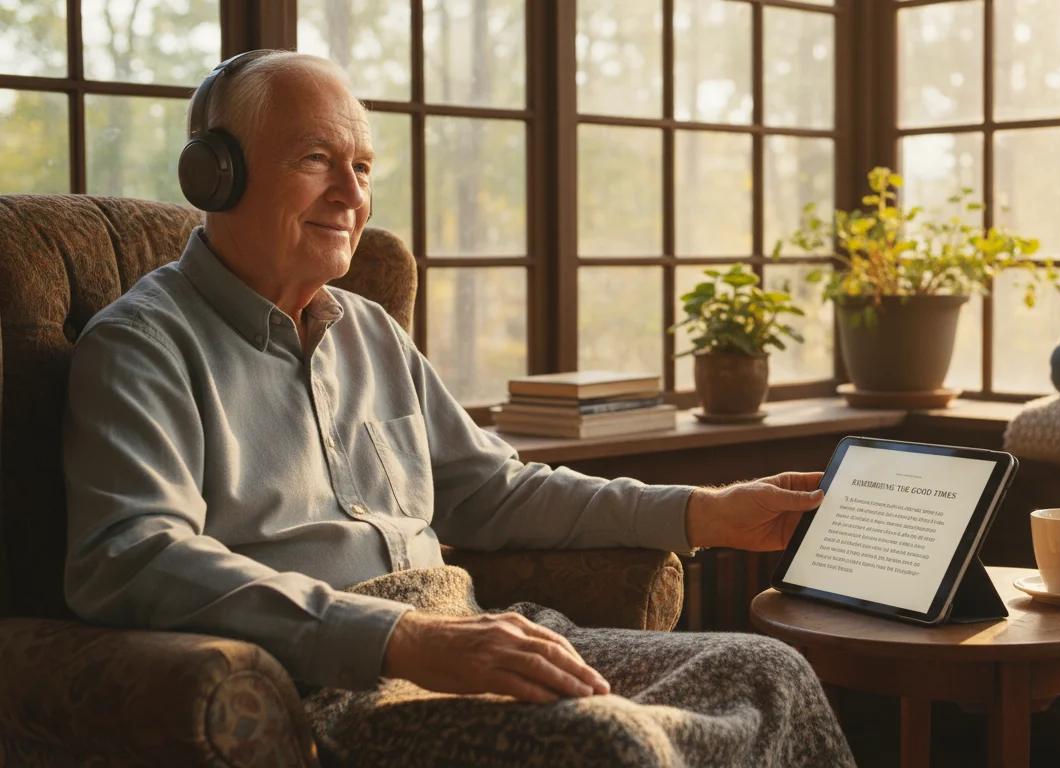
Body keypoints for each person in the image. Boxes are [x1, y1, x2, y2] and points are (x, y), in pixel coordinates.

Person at [62, 50, 855, 766]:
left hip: (471, 629)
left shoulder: (370, 330)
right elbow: (130, 555)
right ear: (215, 175)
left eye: (364, 167)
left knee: (768, 670)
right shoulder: (142, 345)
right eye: (317, 160)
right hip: (342, 683)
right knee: (614, 743)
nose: (351, 195)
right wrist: (399, 639)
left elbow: (494, 491)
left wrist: (702, 512)